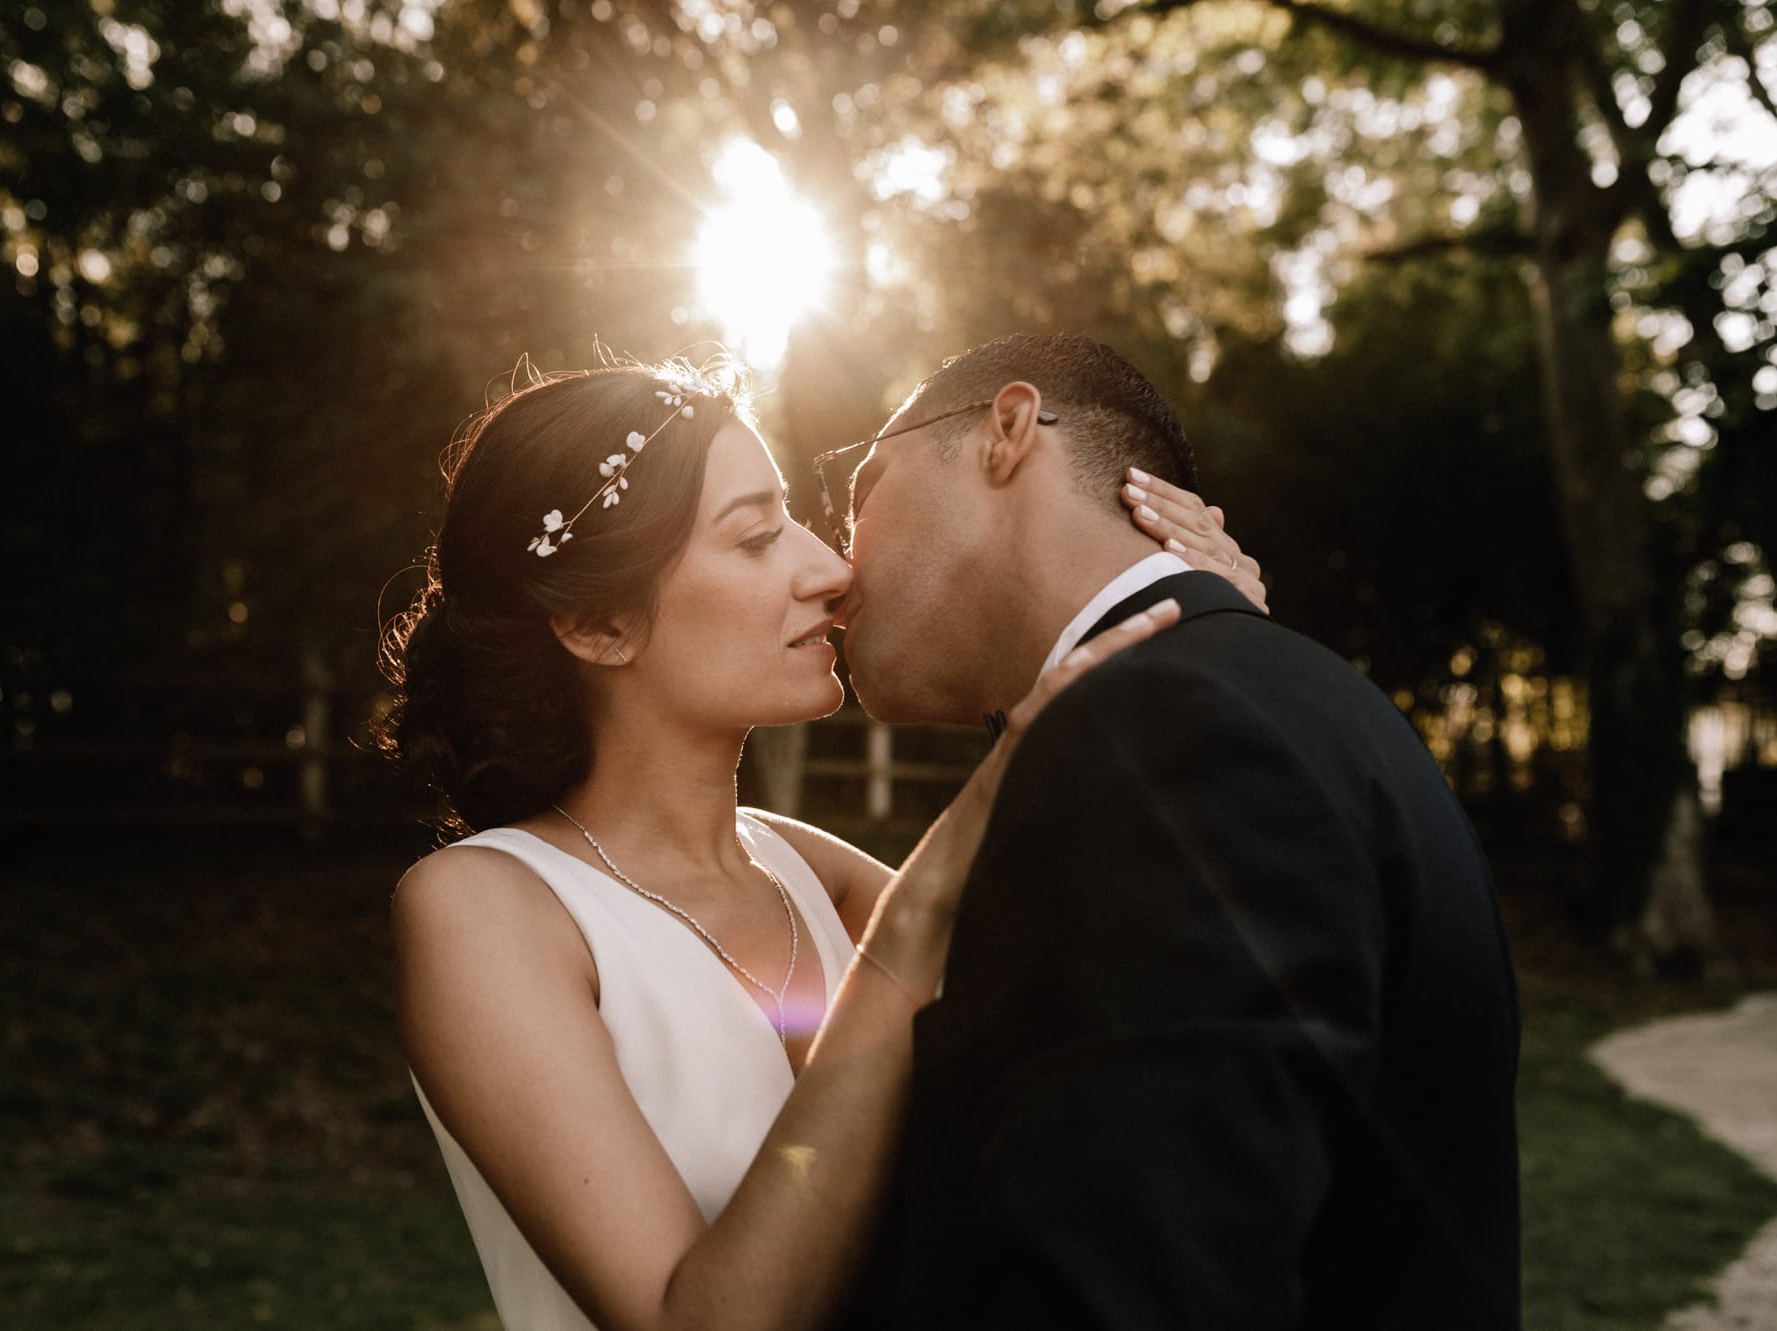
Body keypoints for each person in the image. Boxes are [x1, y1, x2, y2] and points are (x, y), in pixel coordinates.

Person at [378, 356, 1267, 1331]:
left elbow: (1144, 1002)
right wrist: (914, 918)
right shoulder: (483, 909)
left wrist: (1222, 650)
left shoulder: (810, 871)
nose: (831, 569)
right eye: (757, 536)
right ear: (597, 623)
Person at [828, 333, 1523, 1329]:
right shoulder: (1245, 700)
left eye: (861, 493)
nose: (833, 563)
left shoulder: (1171, 738)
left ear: (1008, 429)